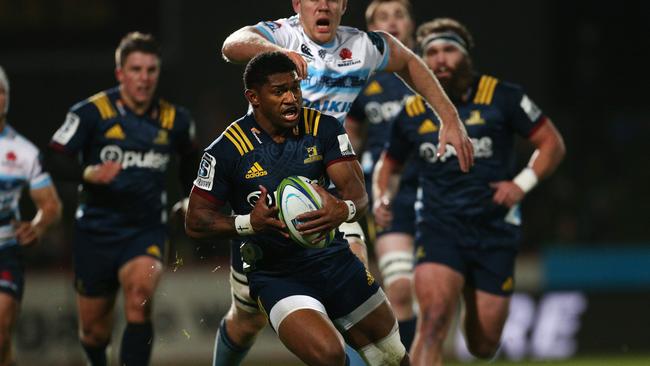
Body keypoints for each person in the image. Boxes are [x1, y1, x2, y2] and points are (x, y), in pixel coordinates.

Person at [215, 1, 474, 364]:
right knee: (246, 320)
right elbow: (232, 44)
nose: (323, 4)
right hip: (268, 194)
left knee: (353, 284)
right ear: (297, 5)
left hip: (328, 190)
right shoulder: (284, 34)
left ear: (343, 6)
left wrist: (449, 118)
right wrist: (279, 53)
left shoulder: (362, 47)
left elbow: (410, 62)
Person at [186, 51, 409, 366]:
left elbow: (358, 196)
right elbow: (195, 221)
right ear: (254, 97)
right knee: (329, 355)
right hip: (278, 274)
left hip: (334, 261)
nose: (291, 98)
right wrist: (250, 223)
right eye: (279, 91)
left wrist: (342, 210)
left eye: (295, 88)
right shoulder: (226, 150)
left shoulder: (324, 128)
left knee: (392, 357)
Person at [372, 18, 566, 365]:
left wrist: (521, 185)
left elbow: (551, 143)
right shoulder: (413, 111)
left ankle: (467, 298)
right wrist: (382, 194)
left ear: (466, 56)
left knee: (483, 345)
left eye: (449, 50)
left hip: (494, 230)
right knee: (431, 324)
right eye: (431, 53)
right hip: (439, 226)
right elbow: (389, 164)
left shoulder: (503, 97)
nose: (440, 59)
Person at [47, 32, 198, 366]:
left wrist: (190, 197)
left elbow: (191, 160)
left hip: (146, 231)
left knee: (139, 298)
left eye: (151, 70)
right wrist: (88, 173)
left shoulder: (176, 120)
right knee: (94, 333)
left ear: (158, 73)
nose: (144, 78)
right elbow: (55, 157)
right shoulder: (91, 113)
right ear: (120, 73)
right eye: (136, 70)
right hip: (96, 233)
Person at [345, 0, 418, 350]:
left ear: (413, 25)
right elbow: (350, 138)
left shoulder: (430, 74)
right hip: (389, 193)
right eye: (383, 18)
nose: (392, 22)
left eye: (399, 15)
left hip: (440, 191)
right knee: (401, 289)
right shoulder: (361, 80)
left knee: (438, 291)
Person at [0, 66, 62, 366]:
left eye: (1, 91)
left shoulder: (23, 152)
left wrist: (37, 227)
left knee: (0, 336)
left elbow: (50, 205)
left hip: (5, 252)